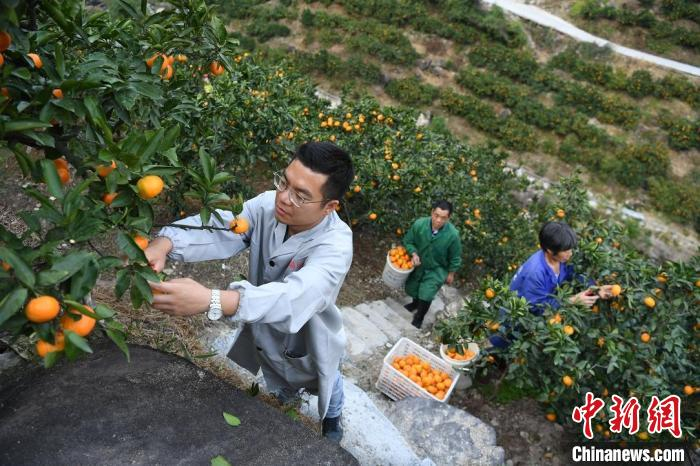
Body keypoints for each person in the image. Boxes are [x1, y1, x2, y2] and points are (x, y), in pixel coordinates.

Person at [144, 142, 354, 443]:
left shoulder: (336, 246)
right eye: (284, 182)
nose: (284, 197)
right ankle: (286, 406)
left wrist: (212, 300)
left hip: (310, 336)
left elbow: (295, 297)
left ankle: (333, 418)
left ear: (329, 206)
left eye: (301, 196)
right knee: (281, 381)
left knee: (326, 378)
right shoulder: (269, 205)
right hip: (266, 327)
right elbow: (225, 227)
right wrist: (167, 242)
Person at [510, 221, 613, 316]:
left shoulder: (561, 259)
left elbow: (575, 273)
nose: (570, 253)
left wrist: (596, 289)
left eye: (570, 249)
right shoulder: (535, 273)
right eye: (566, 251)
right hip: (516, 318)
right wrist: (572, 300)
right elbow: (537, 308)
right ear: (550, 250)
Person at [402, 200, 462, 329]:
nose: (439, 220)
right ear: (432, 212)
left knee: (427, 293)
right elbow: (408, 241)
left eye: (443, 218)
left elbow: (455, 257)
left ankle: (419, 317)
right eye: (436, 215)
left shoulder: (453, 235)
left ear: (448, 218)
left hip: (437, 268)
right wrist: (414, 253)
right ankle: (415, 303)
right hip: (420, 264)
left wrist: (451, 273)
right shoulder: (420, 224)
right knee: (414, 287)